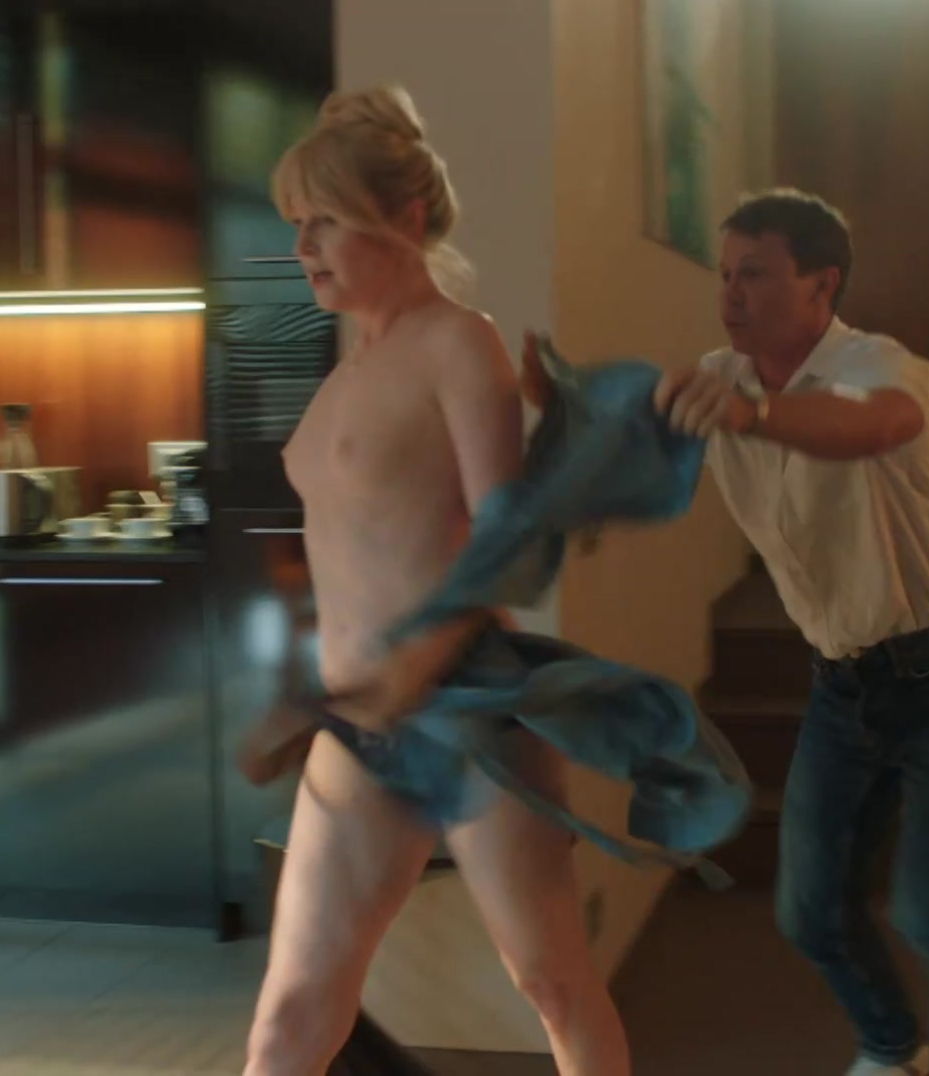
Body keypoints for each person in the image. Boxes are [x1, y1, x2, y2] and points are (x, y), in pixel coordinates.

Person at [242, 86, 631, 1076]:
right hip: (359, 722)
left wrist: (402, 675)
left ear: (405, 219)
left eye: (326, 221)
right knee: (291, 1014)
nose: (303, 247)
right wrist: (326, 688)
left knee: (552, 982)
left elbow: (505, 550)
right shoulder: (347, 369)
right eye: (297, 223)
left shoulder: (461, 342)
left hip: (468, 708)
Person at [651, 189, 929, 1076]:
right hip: (841, 685)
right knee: (809, 911)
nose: (730, 295)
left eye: (755, 275)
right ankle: (893, 1047)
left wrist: (752, 417)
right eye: (725, 275)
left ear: (822, 285)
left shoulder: (880, 365)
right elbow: (627, 444)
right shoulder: (719, 376)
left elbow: (872, 423)